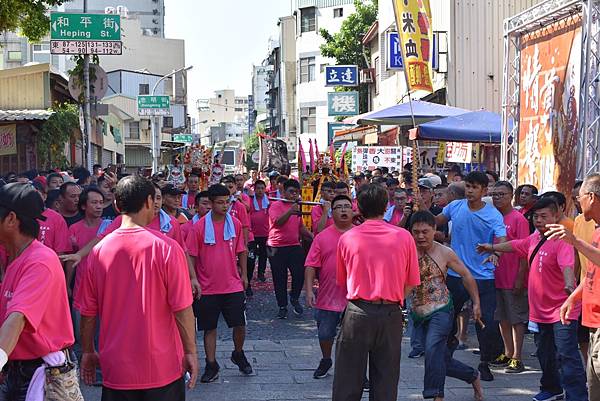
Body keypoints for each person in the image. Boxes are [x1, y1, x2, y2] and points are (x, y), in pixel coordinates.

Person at [78, 175, 198, 400]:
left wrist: (87, 350)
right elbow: (182, 308)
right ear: (150, 202)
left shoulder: (98, 252)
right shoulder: (167, 248)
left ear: (116, 204)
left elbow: (88, 312)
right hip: (163, 366)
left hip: (116, 367)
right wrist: (190, 351)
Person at [478, 197, 587, 401]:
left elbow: (567, 265)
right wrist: (492, 247)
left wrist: (569, 284)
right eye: (536, 216)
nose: (538, 220)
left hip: (563, 309)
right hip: (539, 310)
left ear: (556, 216)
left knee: (567, 355)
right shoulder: (535, 238)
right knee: (545, 354)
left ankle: (577, 396)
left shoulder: (562, 240)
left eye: (544, 216)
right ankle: (551, 388)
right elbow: (516, 244)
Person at [333, 184, 420, 401]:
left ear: (358, 207)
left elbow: (343, 281)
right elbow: (412, 281)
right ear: (385, 206)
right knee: (386, 381)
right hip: (391, 312)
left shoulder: (348, 238)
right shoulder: (404, 237)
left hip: (358, 311)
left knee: (347, 379)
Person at [0, 183, 82, 400]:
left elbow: (18, 318)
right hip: (17, 370)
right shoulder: (17, 258)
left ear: (10, 219)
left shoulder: (40, 261)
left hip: (39, 375)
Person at [435, 171, 506, 381]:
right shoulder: (455, 207)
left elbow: (501, 238)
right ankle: (446, 352)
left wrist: (495, 252)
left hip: (484, 277)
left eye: (475, 187)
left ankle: (485, 362)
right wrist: (424, 209)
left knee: (485, 321)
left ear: (484, 190)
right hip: (456, 275)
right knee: (447, 316)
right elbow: (436, 220)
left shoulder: (493, 214)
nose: (470, 191)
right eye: (468, 186)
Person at [409, 211, 483, 401]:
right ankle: (471, 375)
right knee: (438, 358)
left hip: (442, 309)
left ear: (435, 230)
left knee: (433, 349)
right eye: (416, 232)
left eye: (425, 231)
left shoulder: (445, 252)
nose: (420, 236)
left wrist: (476, 303)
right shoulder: (406, 251)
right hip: (418, 312)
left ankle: (436, 396)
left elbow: (467, 276)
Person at [186, 184, 252, 383]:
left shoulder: (236, 224)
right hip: (207, 287)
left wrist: (244, 274)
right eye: (220, 203)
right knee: (209, 327)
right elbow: (190, 255)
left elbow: (242, 250)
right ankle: (211, 364)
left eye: (227, 202)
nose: (225, 206)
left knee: (240, 324)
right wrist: (193, 278)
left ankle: (238, 353)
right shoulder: (198, 227)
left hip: (232, 284)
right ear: (211, 204)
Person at [551, 173, 600, 401]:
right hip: (592, 320)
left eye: (579, 197)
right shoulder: (596, 229)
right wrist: (574, 297)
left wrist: (574, 241)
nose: (577, 203)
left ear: (591, 197)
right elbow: (592, 269)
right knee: (594, 386)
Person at [305, 195, 353, 379]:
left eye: (346, 206)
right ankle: (326, 359)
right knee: (325, 333)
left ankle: (356, 370)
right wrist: (309, 290)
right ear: (332, 212)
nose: (343, 210)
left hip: (356, 297)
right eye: (339, 207)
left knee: (356, 338)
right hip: (328, 295)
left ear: (352, 210)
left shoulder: (361, 234)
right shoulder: (322, 237)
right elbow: (311, 265)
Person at [489, 181, 530, 373]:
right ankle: (507, 353)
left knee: (516, 318)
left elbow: (524, 251)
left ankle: (517, 357)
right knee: (502, 318)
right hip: (495, 276)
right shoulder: (492, 217)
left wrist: (521, 278)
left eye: (502, 194)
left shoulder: (518, 219)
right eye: (495, 194)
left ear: (511, 196)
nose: (498, 198)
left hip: (513, 277)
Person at [268, 179, 313, 319]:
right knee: (279, 278)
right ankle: (282, 306)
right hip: (276, 247)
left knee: (300, 274)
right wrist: (290, 211)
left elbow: (300, 227)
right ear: (283, 192)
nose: (294, 195)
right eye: (291, 192)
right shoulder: (275, 205)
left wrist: (313, 237)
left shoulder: (296, 206)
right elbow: (277, 222)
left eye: (296, 192)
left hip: (294, 246)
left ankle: (294, 297)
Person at [249, 180, 269, 285]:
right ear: (255, 189)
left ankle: (261, 273)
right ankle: (250, 273)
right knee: (251, 255)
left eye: (262, 188)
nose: (260, 191)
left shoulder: (269, 201)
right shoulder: (250, 201)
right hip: (253, 233)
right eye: (258, 188)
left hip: (265, 233)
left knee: (263, 255)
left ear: (265, 189)